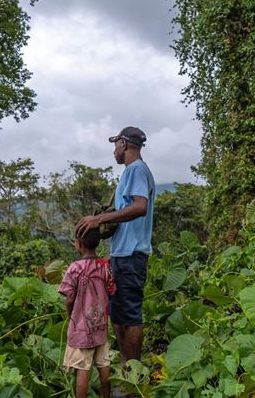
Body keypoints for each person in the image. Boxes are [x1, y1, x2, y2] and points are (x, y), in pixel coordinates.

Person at [76, 126, 155, 367]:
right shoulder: (132, 172)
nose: (114, 151)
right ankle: (126, 371)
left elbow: (140, 206)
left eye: (115, 145)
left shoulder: (137, 170)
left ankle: (133, 377)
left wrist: (98, 219)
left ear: (124, 144)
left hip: (131, 256)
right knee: (120, 317)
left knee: (129, 318)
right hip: (123, 256)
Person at [59, 227, 116, 398]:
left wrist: (70, 313)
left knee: (82, 371)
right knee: (104, 367)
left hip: (81, 329)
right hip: (100, 326)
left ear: (78, 244)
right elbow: (112, 291)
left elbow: (68, 298)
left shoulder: (75, 268)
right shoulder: (105, 266)